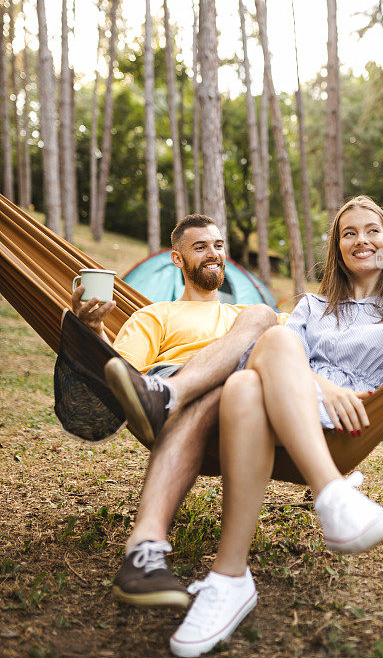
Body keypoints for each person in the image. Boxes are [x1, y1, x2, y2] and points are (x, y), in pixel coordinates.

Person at [170, 183, 383, 658]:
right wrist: (321, 385)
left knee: (252, 378)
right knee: (258, 361)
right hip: (291, 404)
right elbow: (259, 354)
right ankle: (321, 504)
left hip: (342, 424)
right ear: (338, 248)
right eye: (348, 233)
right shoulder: (312, 305)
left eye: (373, 231)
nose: (362, 240)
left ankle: (233, 573)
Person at [72, 213, 280, 607]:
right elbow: (120, 375)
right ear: (177, 259)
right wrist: (93, 330)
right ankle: (170, 392)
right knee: (233, 362)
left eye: (218, 246)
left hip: (243, 399)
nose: (213, 253)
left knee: (265, 317)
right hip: (169, 384)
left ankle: (144, 547)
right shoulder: (155, 315)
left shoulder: (247, 316)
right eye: (199, 247)